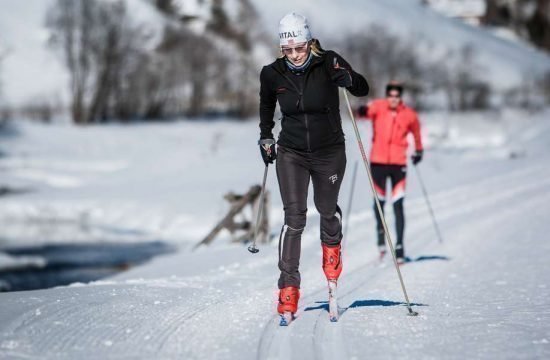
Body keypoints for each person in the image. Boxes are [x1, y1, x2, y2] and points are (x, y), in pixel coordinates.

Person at [258, 12, 369, 318]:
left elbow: (362, 88)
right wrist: (265, 137)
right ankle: (288, 287)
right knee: (294, 219)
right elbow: (266, 107)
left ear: (308, 42)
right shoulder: (272, 73)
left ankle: (332, 249)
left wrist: (350, 79)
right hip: (291, 152)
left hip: (329, 151)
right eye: (287, 50)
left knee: (326, 208)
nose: (294, 55)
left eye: (299, 48)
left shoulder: (329, 62)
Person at [356, 82, 423, 263]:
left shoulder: (409, 115)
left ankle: (399, 246)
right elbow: (363, 113)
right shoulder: (378, 107)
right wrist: (360, 110)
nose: (393, 99)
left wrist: (419, 151)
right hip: (378, 162)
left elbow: (417, 133)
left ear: (400, 97)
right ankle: (380, 232)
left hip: (398, 163)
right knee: (379, 202)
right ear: (387, 96)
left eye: (396, 96)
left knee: (398, 205)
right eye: (390, 95)